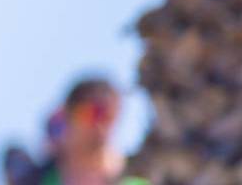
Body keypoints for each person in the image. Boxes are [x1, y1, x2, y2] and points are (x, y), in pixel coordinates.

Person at [19, 77, 149, 185]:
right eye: (95, 114)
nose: (102, 125)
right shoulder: (37, 178)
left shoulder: (133, 180)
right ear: (69, 115)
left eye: (111, 116)